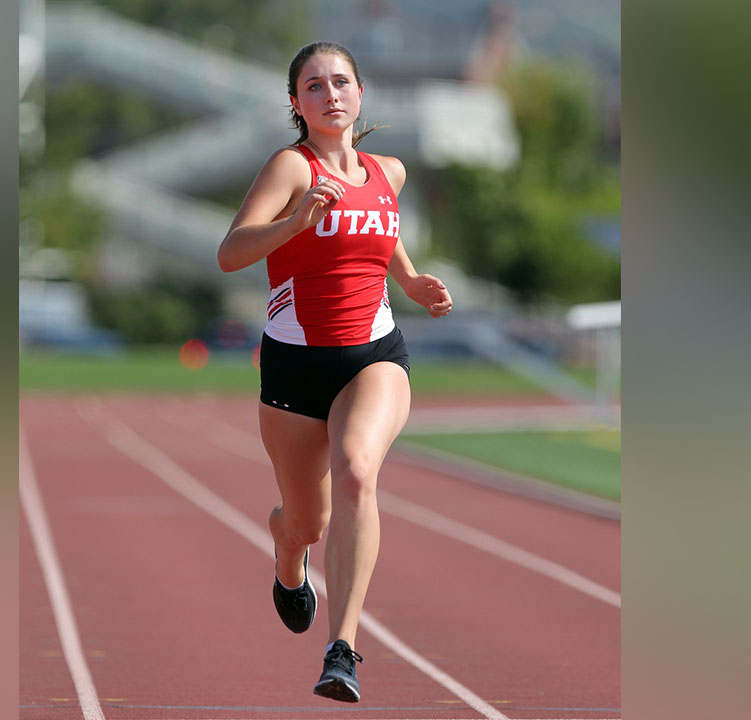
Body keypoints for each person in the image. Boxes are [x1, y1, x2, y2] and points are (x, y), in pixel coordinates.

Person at [217, 42, 452, 703]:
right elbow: (231, 252)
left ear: (360, 92)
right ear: (297, 103)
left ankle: (341, 650)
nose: (330, 94)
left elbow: (381, 230)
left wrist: (411, 280)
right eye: (314, 86)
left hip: (374, 355)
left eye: (341, 82)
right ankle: (287, 553)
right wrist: (296, 222)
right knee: (307, 522)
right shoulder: (291, 167)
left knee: (355, 470)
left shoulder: (388, 172)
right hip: (295, 366)